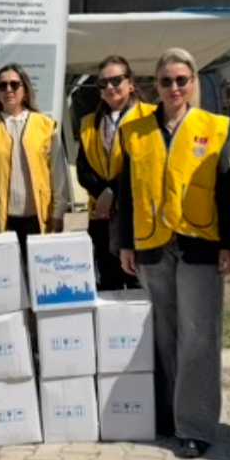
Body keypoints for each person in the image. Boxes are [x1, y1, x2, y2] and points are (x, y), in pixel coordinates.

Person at [117, 48, 230, 459]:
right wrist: (125, 243)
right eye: (166, 80)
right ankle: (166, 416)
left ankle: (196, 426)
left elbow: (224, 189)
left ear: (193, 83)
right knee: (164, 335)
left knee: (199, 336)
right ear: (155, 84)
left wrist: (229, 244)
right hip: (152, 245)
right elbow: (127, 193)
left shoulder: (212, 127)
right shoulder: (135, 131)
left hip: (199, 244)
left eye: (181, 80)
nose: (173, 87)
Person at [0, 64, 71, 257]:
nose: (8, 90)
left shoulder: (46, 126)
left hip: (39, 218)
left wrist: (59, 212)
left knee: (39, 276)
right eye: (2, 86)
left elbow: (58, 173)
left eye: (14, 85)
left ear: (25, 90)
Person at [76, 56, 154, 291]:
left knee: (140, 284)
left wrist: (113, 191)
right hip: (101, 217)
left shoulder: (151, 117)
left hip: (137, 216)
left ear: (131, 83)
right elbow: (82, 168)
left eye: (116, 80)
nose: (110, 87)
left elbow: (146, 165)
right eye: (103, 83)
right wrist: (102, 193)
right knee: (109, 284)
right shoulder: (89, 122)